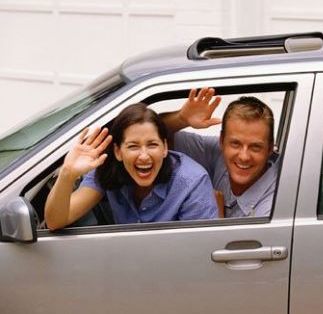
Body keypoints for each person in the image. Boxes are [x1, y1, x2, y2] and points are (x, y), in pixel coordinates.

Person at [45, 103, 218, 230]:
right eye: (133, 146)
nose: (143, 155)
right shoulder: (107, 169)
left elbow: (198, 252)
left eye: (152, 145)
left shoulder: (192, 180)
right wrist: (67, 173)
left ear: (165, 148)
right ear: (118, 152)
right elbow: (56, 221)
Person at [162, 88, 278, 218]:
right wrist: (181, 119)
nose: (244, 156)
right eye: (235, 144)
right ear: (222, 141)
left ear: (269, 148)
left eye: (255, 147)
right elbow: (154, 138)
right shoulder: (218, 153)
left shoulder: (274, 206)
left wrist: (215, 217)